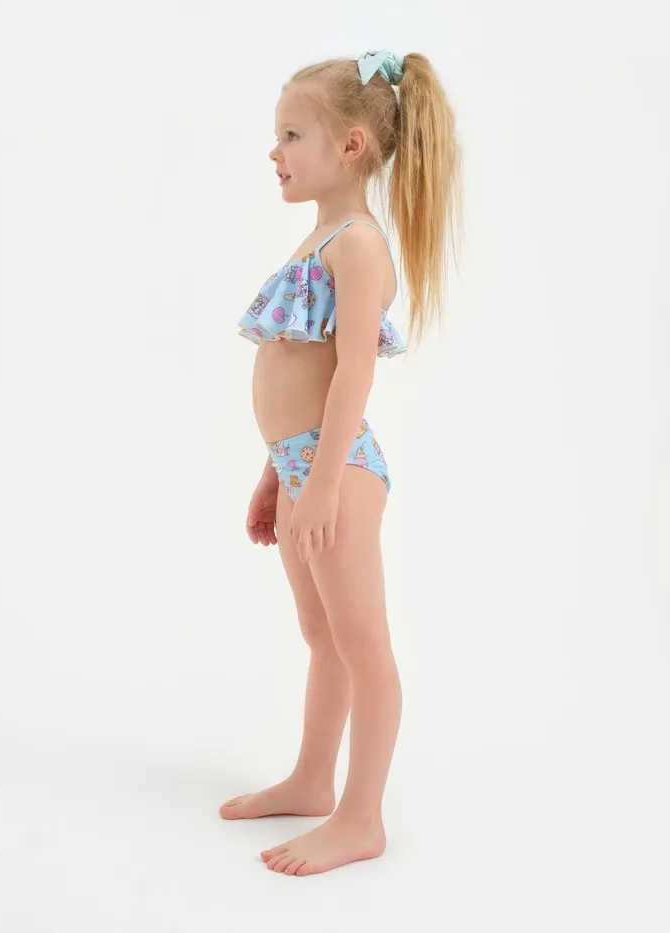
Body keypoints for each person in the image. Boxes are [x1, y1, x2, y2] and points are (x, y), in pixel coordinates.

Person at [221, 49, 461, 876]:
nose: (275, 151)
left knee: (363, 645)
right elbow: (302, 374)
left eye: (291, 134)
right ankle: (313, 779)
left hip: (337, 474)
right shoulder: (318, 238)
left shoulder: (357, 246)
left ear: (351, 145)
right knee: (320, 635)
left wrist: (321, 481)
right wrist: (276, 472)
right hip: (302, 467)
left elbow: (354, 372)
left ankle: (362, 818)